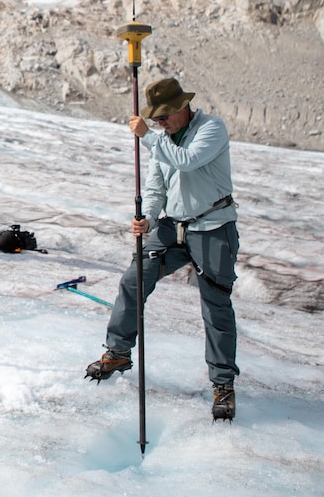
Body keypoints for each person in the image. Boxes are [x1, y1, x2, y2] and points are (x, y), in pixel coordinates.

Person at [85, 77, 240, 421]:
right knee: (133, 278)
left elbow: (187, 160)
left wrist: (148, 137)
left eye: (164, 116)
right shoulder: (161, 141)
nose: (160, 122)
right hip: (174, 226)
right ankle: (119, 351)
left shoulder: (211, 129)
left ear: (183, 107)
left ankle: (223, 383)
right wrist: (149, 219)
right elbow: (155, 187)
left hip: (213, 225)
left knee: (215, 305)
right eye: (155, 118)